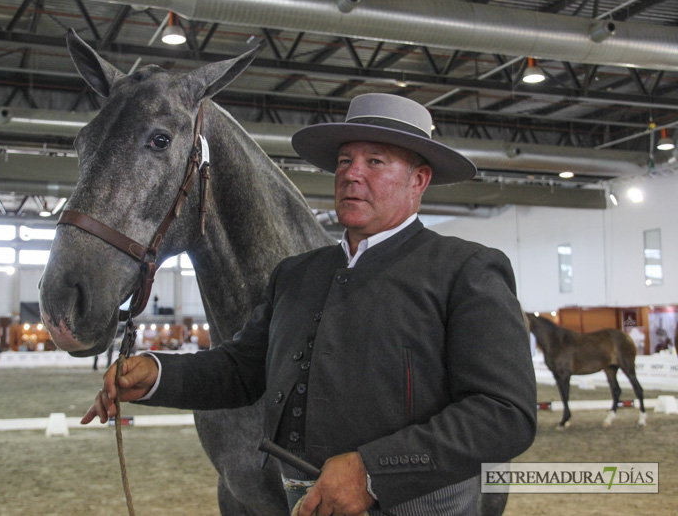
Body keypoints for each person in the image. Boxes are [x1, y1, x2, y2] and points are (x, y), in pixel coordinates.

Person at [82, 93, 537, 516]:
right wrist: (158, 375)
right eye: (344, 161)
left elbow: (505, 414)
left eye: (375, 161)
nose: (351, 174)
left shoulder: (467, 269)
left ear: (419, 180)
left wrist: (372, 472)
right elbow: (241, 371)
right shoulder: (296, 274)